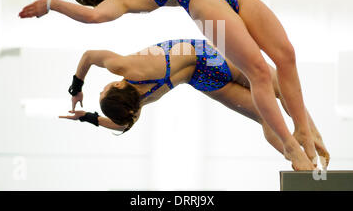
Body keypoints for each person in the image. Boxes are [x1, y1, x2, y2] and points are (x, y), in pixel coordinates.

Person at [11, 0, 318, 170]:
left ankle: (304, 132)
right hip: (203, 1)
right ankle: (291, 146)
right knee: (260, 73)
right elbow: (93, 18)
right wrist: (51, 5)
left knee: (286, 55)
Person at [58, 39, 329, 170]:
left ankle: (300, 160)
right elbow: (90, 56)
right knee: (277, 87)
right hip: (209, 58)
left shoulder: (139, 104)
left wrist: (87, 118)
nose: (106, 84)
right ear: (117, 85)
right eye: (105, 87)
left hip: (204, 81)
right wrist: (76, 86)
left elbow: (121, 123)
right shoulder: (125, 67)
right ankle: (309, 133)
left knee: (264, 116)